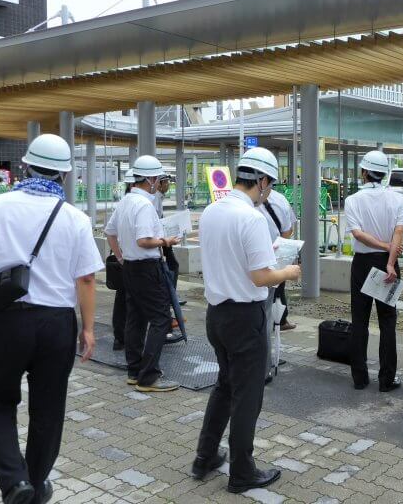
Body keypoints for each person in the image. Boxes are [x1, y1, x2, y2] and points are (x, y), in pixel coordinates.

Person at [0, 134, 102, 504]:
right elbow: (87, 279)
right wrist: (88, 328)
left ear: (25, 166)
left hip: (6, 322)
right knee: (49, 409)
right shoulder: (76, 218)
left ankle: (15, 482)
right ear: (65, 175)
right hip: (56, 325)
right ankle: (34, 482)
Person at [193, 147, 300, 493]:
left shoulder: (211, 211)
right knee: (247, 396)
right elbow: (260, 276)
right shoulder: (251, 218)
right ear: (263, 180)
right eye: (269, 185)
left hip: (217, 314)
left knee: (225, 387)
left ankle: (205, 456)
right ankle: (242, 471)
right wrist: (289, 270)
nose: (268, 191)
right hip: (245, 317)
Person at [104, 155, 180, 392]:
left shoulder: (126, 201)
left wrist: (120, 257)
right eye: (158, 179)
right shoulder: (145, 205)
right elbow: (145, 240)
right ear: (150, 179)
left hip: (131, 268)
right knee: (161, 319)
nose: (159, 183)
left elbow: (110, 232)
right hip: (147, 268)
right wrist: (165, 240)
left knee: (135, 319)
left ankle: (134, 370)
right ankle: (149, 377)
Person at [344, 150, 403, 392]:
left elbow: (358, 234)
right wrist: (390, 260)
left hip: (362, 264)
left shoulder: (352, 200)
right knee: (387, 322)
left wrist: (381, 246)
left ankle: (359, 378)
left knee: (359, 320)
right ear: (384, 174)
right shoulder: (395, 199)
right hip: (387, 262)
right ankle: (387, 380)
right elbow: (399, 233)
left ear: (364, 172)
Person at [258, 185, 297, 332]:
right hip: (275, 251)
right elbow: (288, 229)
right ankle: (279, 320)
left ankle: (275, 320)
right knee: (278, 286)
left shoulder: (237, 202)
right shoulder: (280, 199)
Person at [111, 170, 136, 351]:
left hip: (124, 262)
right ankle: (131, 341)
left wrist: (119, 257)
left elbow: (109, 233)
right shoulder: (139, 205)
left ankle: (119, 338)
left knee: (121, 300)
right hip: (136, 264)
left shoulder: (121, 204)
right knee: (134, 304)